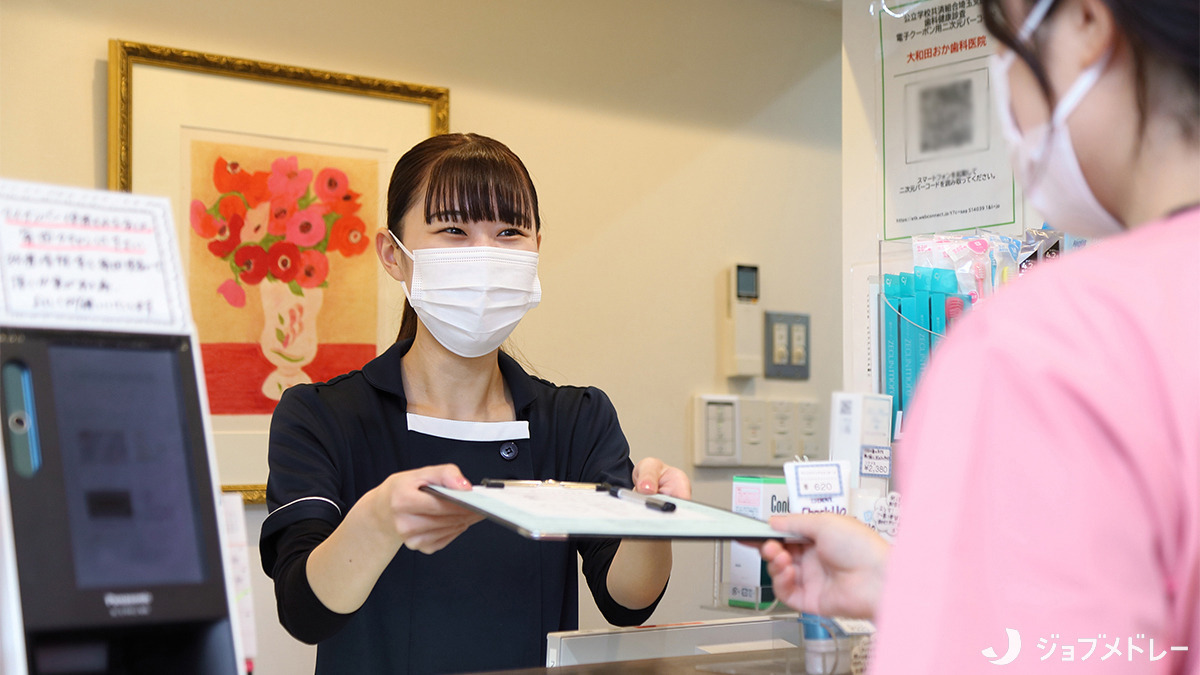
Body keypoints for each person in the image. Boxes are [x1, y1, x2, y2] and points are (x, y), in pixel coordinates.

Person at [761, 0, 1198, 672]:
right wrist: (926, 586)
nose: (1008, 98)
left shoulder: (1049, 347)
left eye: (1003, 52)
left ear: (1085, 22)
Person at [259, 133, 691, 674]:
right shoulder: (323, 416)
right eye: (454, 230)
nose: (485, 255)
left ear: (536, 249)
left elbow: (626, 601)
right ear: (394, 255)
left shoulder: (575, 419)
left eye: (509, 232)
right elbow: (304, 611)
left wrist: (654, 518)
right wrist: (379, 518)